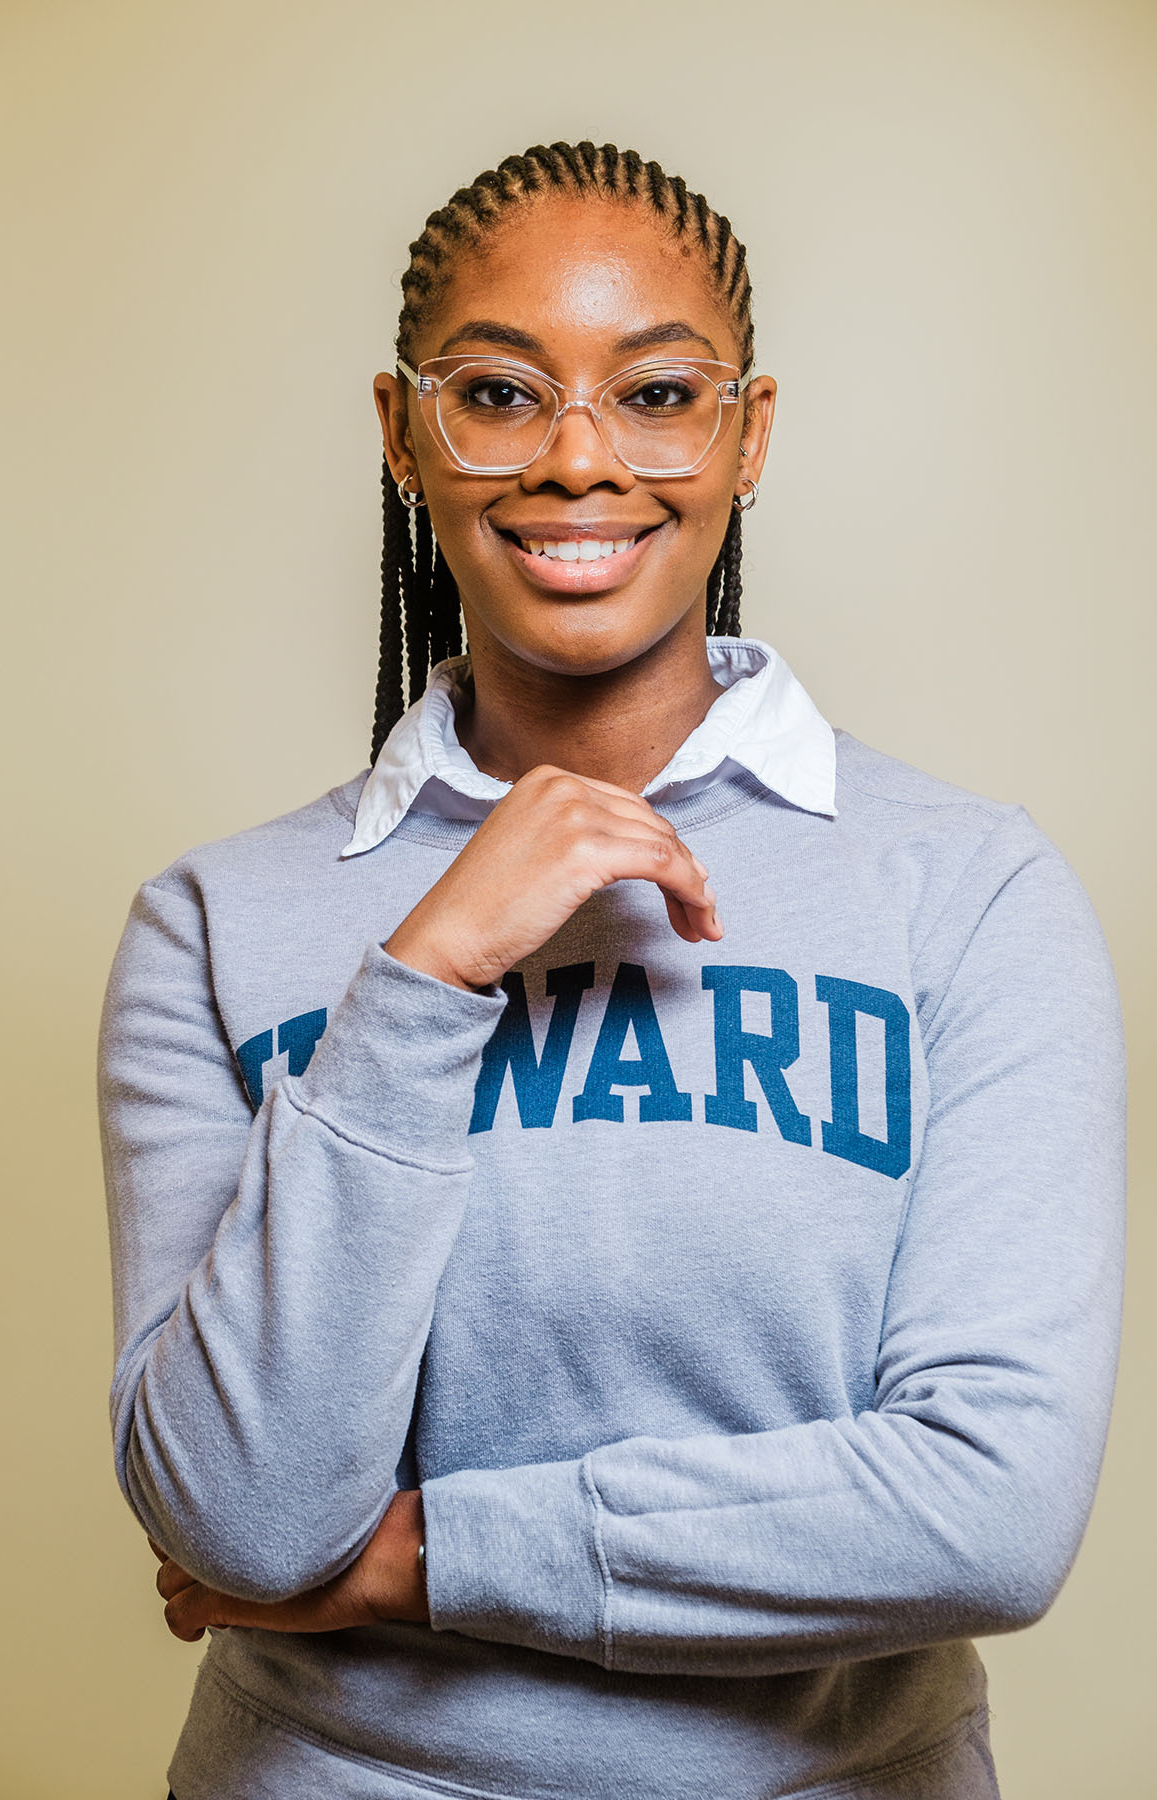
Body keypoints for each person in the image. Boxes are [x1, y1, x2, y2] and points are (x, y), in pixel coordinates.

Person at [99, 141, 1126, 1800]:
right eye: (501, 396)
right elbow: (243, 1518)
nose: (580, 463)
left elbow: (987, 1511)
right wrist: (425, 972)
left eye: (657, 393)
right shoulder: (217, 923)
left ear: (749, 434)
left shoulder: (969, 890)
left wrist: (430, 1559)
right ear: (401, 432)